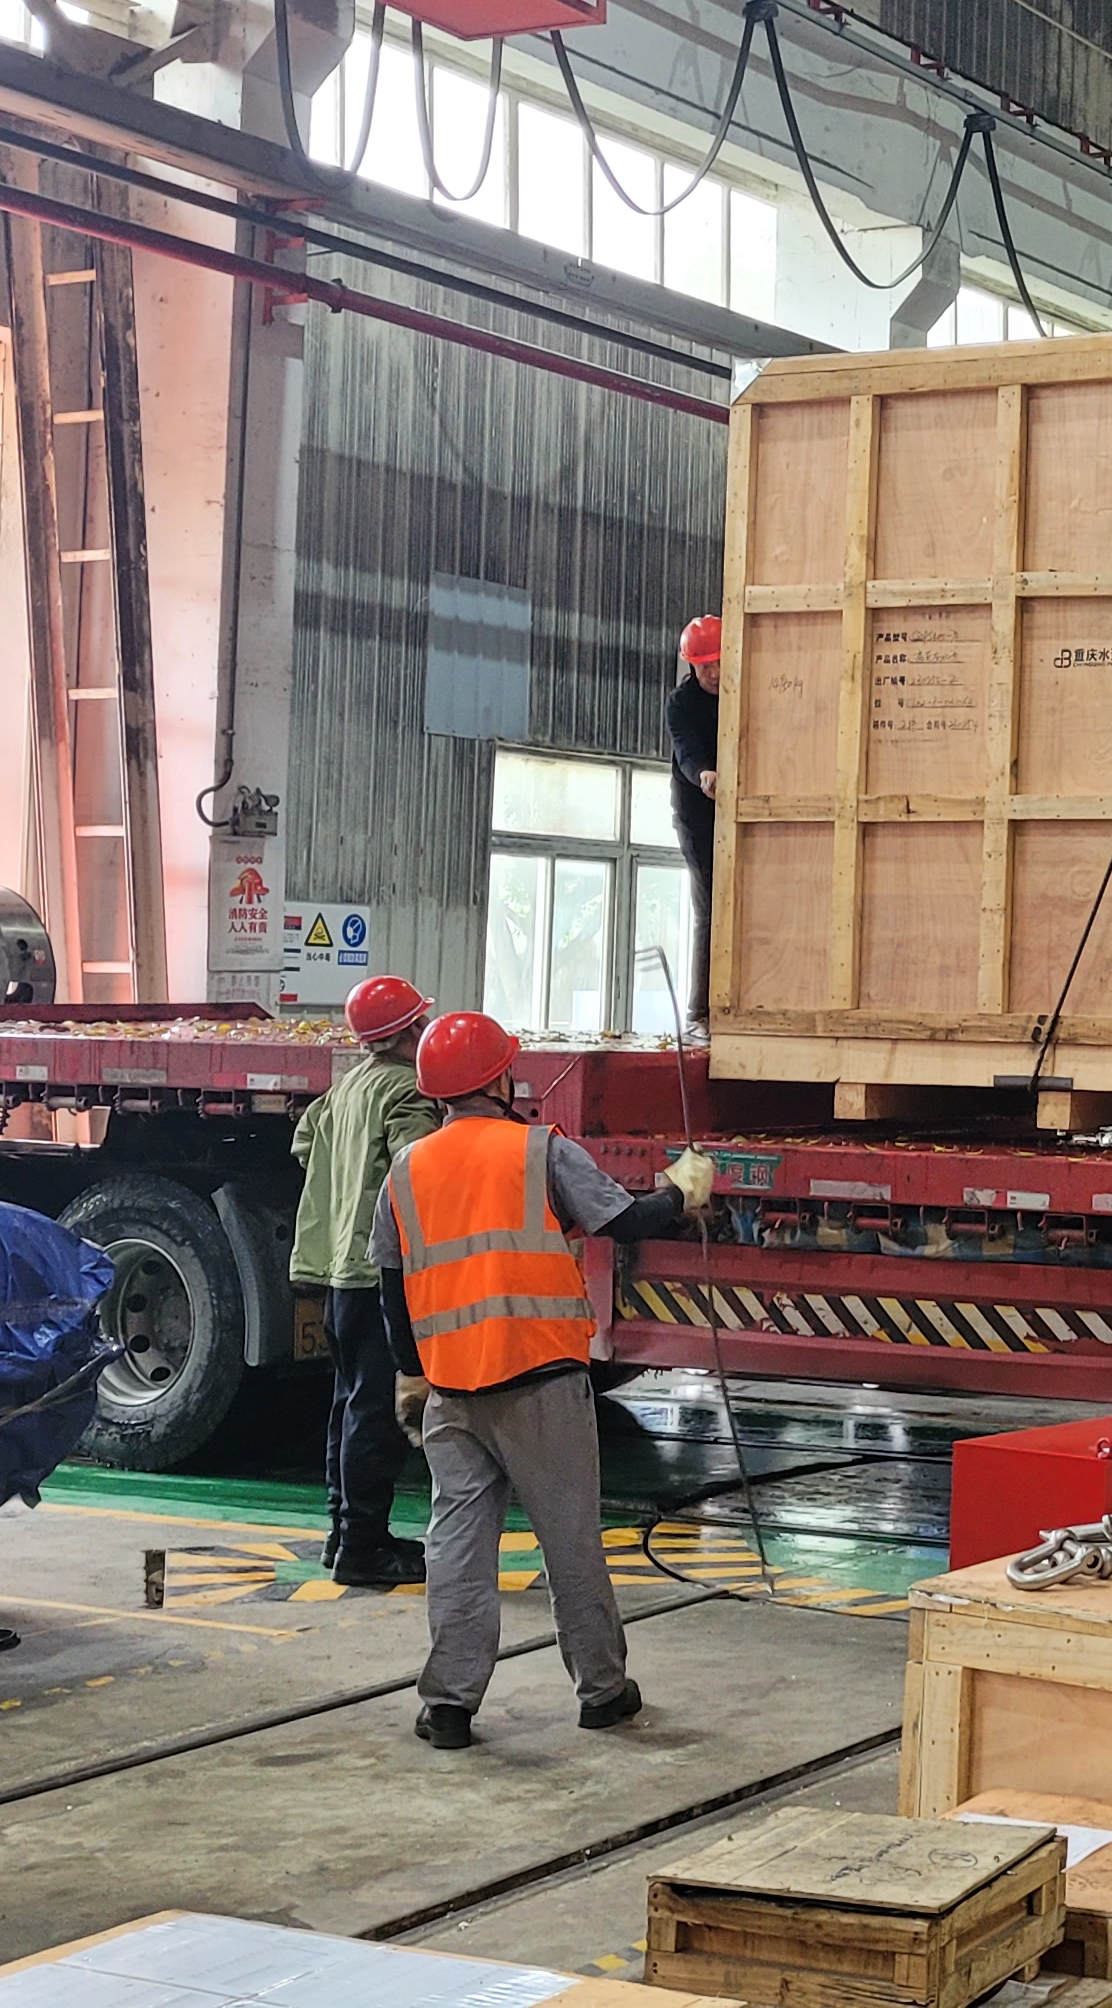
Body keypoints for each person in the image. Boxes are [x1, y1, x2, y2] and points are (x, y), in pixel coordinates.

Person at [374, 1010, 715, 1749]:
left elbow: (391, 1288)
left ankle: (448, 1705)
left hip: (452, 1390)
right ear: (499, 1079)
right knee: (569, 1540)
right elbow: (622, 1222)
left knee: (458, 1548)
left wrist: (413, 1372)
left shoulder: (406, 1170)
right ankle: (601, 1691)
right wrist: (681, 1192)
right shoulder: (539, 1153)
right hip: (539, 1380)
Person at [288, 974, 445, 1589]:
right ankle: (363, 1548)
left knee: (349, 1403)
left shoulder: (347, 1086)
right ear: (408, 1031)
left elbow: (305, 1145)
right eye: (421, 1022)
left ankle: (343, 1531)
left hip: (335, 1267)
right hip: (375, 1271)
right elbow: (420, 1171)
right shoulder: (406, 1091)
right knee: (376, 1412)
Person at [666, 615, 723, 1024]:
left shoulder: (745, 691)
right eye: (706, 667)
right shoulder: (681, 704)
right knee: (711, 905)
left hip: (742, 811)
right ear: (692, 665)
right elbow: (686, 751)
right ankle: (700, 1011)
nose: (714, 674)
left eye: (720, 663)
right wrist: (704, 774)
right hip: (698, 815)